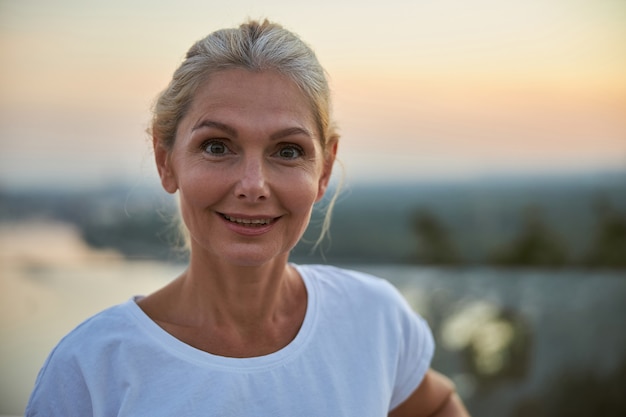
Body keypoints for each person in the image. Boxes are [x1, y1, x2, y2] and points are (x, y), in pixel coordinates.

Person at [26, 19, 470, 416]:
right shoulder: (90, 369)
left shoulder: (374, 320)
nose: (253, 184)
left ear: (325, 170)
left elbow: (436, 405)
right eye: (217, 146)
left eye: (288, 151)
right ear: (166, 161)